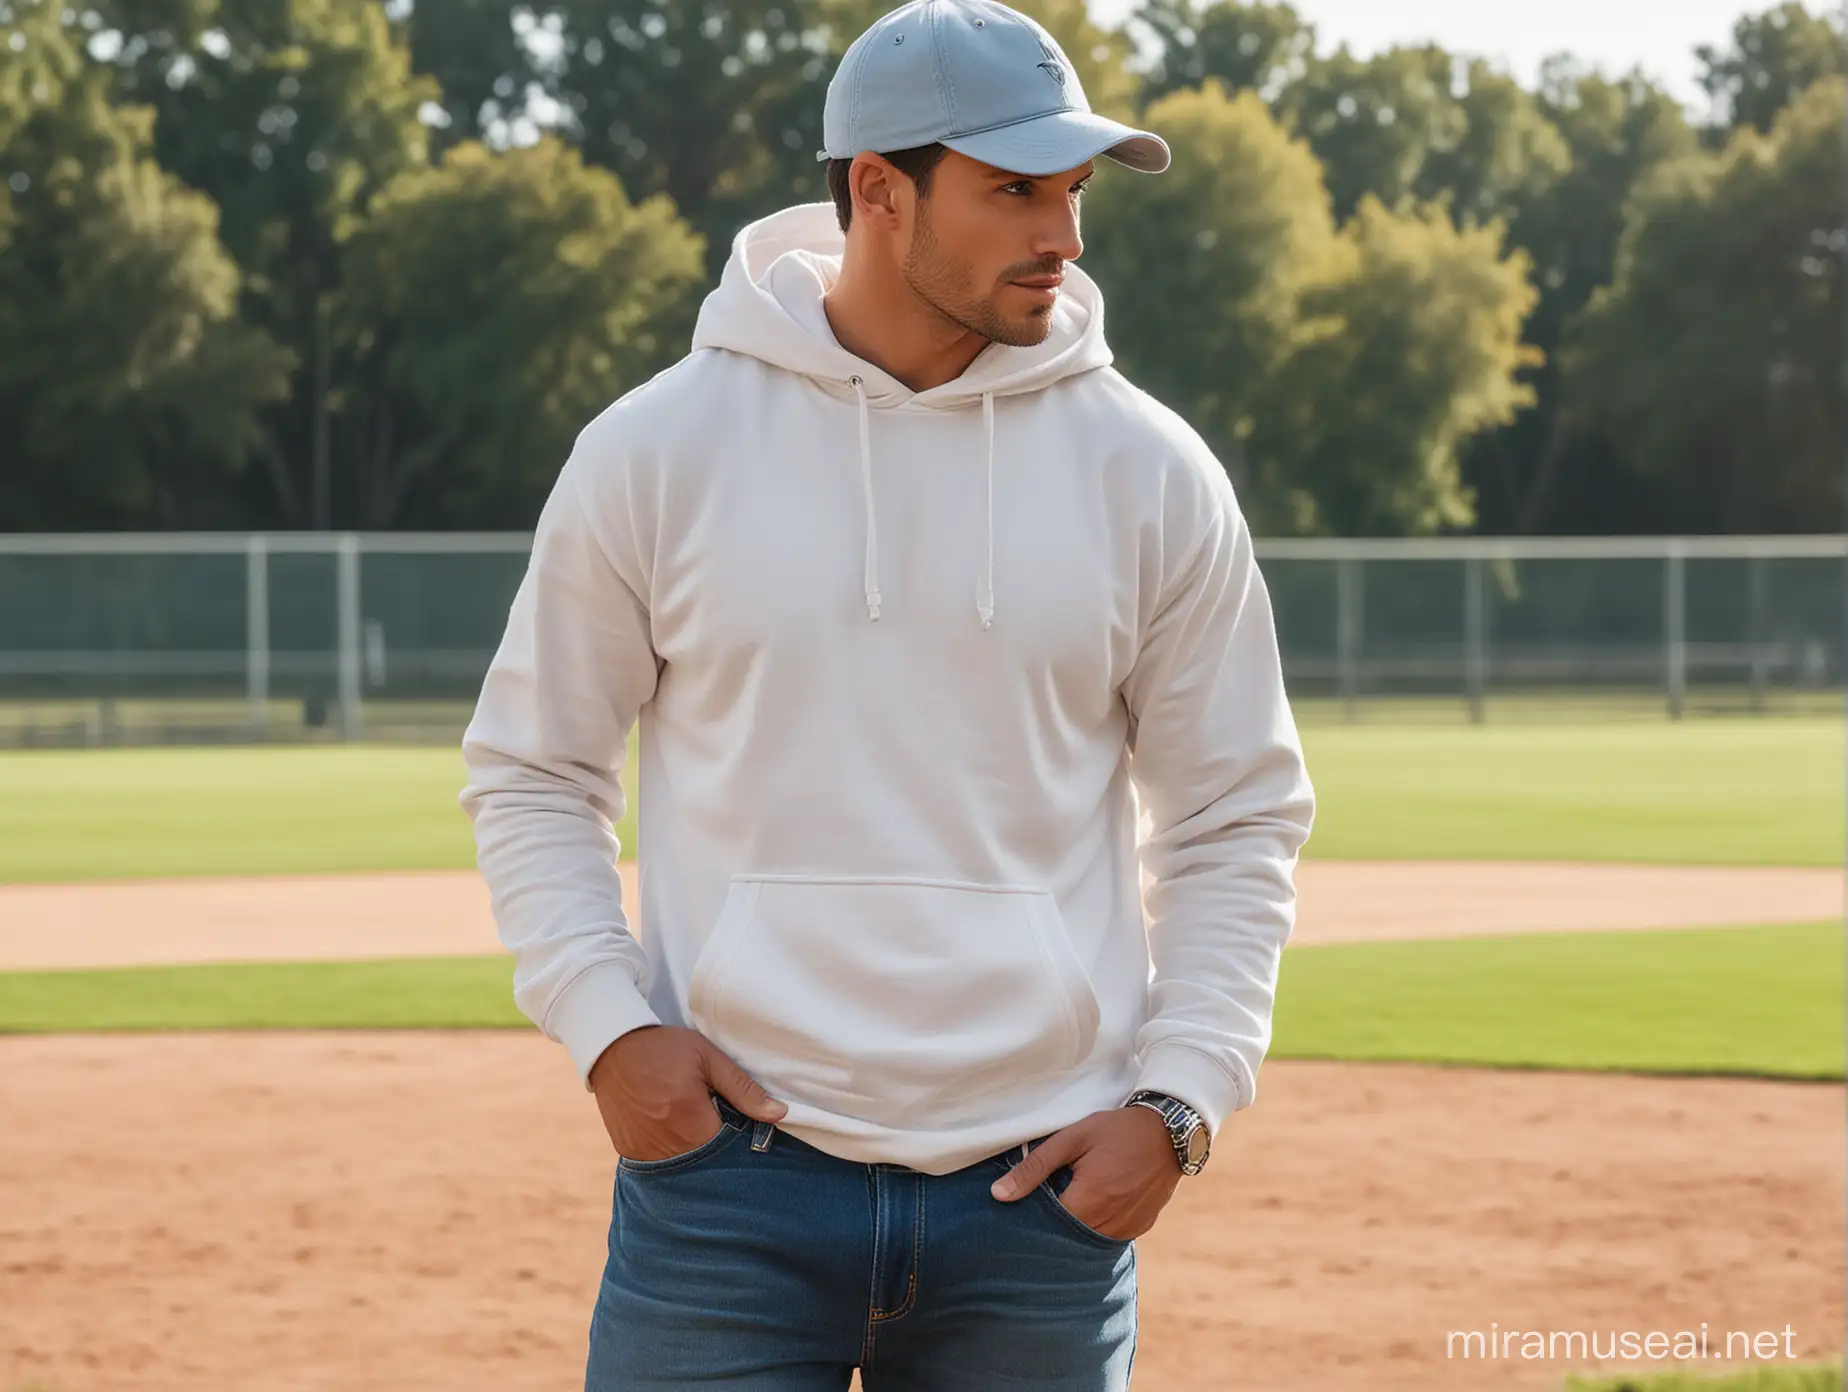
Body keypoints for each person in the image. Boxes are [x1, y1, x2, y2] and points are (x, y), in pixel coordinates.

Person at [459, 0, 1315, 1385]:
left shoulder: (1151, 473)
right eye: (1017, 190)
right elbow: (534, 767)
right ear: (877, 190)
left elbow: (1235, 814)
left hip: (1038, 1206)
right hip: (726, 1196)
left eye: (1077, 190)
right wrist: (608, 1028)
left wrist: (1182, 1103)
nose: (1067, 235)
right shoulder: (657, 451)